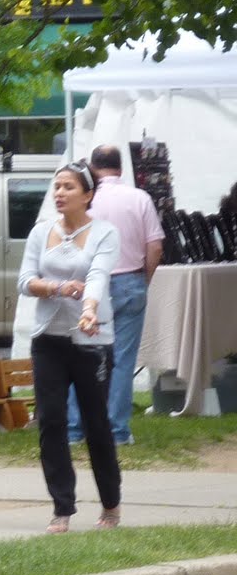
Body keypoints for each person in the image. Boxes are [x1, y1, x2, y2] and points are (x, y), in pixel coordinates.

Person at [17, 160, 122, 534]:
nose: (59, 193)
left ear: (88, 195)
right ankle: (62, 507)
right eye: (56, 186)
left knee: (96, 424)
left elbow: (97, 275)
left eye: (69, 187)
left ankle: (111, 503)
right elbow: (25, 280)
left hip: (91, 340)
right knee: (52, 421)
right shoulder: (40, 232)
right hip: (48, 340)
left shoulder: (105, 233)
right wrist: (58, 288)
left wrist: (89, 308)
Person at [67, 144, 162, 446]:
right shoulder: (140, 198)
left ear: (93, 168)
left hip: (90, 284)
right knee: (121, 361)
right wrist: (143, 278)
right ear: (121, 169)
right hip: (131, 280)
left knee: (82, 356)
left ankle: (75, 427)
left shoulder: (86, 201)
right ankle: (116, 430)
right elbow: (155, 246)